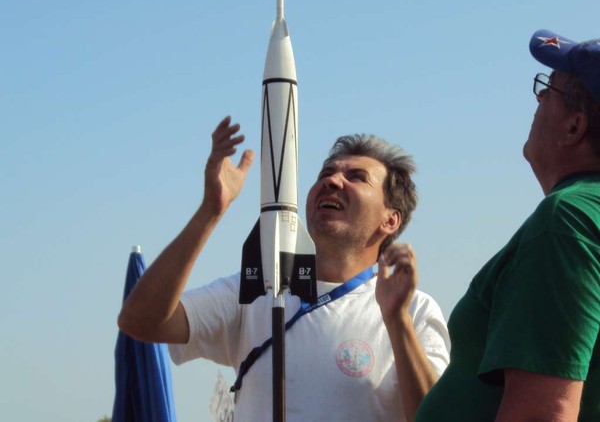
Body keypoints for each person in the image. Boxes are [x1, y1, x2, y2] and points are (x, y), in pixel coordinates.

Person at [118, 118, 450, 422]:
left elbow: (437, 417)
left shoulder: (415, 311)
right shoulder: (258, 289)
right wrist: (211, 209)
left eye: (356, 177)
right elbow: (139, 320)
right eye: (326, 173)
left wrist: (397, 320)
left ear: (390, 220)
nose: (332, 181)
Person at [416, 29, 600, 422]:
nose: (538, 99)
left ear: (575, 126)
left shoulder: (567, 220)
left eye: (549, 88)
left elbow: (543, 413)